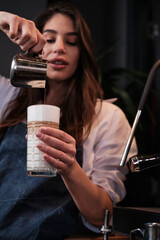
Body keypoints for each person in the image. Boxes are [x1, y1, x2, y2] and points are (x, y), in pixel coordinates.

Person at [0, 1, 137, 240]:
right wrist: (2, 18)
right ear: (33, 45)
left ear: (82, 52)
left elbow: (101, 215)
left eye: (71, 42)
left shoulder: (106, 118)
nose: (59, 48)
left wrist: (69, 167)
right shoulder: (6, 96)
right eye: (49, 39)